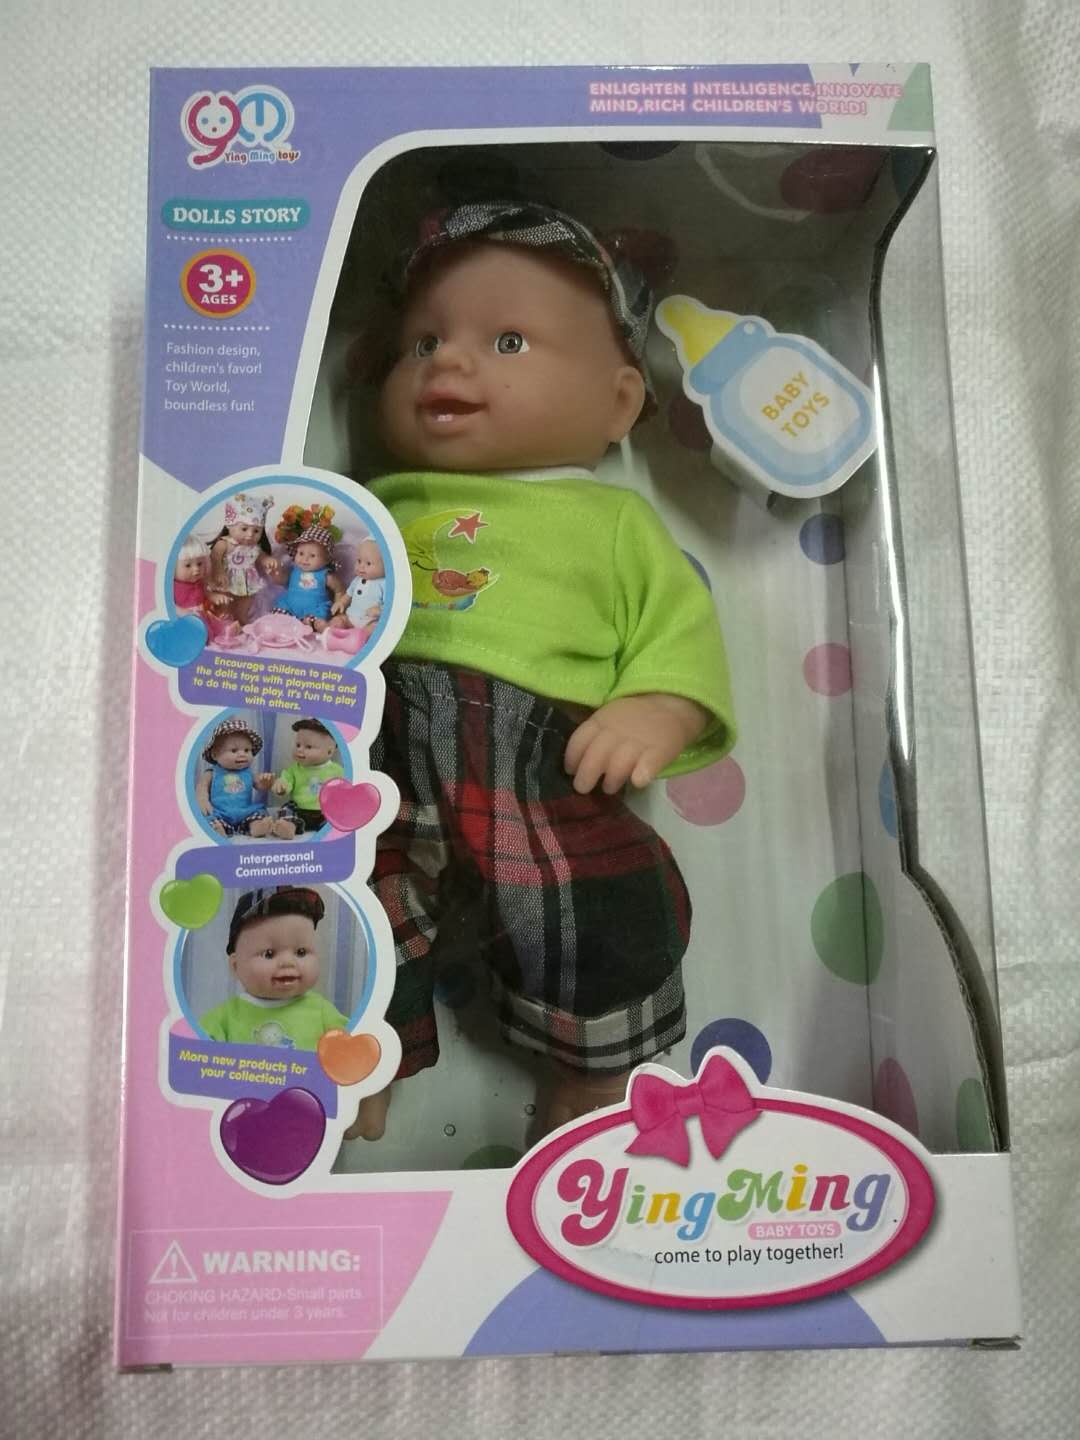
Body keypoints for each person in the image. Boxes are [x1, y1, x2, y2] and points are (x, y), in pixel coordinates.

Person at [355, 201, 736, 1142]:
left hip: (536, 757)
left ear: (618, 403)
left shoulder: (612, 519)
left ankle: (592, 1066)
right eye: (422, 343)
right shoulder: (372, 502)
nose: (447, 363)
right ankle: (359, 1053)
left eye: (508, 341)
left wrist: (658, 708)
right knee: (350, 898)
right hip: (371, 744)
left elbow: (679, 629)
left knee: (588, 905)